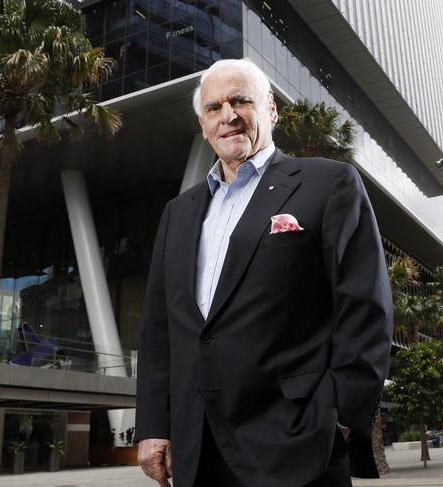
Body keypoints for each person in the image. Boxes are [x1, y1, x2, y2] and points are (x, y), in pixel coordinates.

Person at [135, 58, 393, 487]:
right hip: (195, 451)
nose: (229, 115)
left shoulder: (329, 185)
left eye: (240, 100)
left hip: (295, 445)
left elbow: (366, 309)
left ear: (270, 109)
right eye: (214, 107)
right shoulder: (179, 212)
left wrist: (340, 415)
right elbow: (159, 332)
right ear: (203, 125)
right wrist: (152, 427)